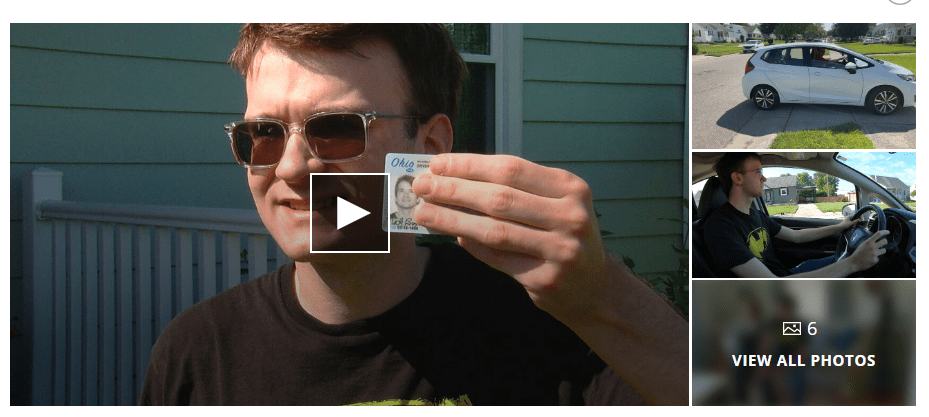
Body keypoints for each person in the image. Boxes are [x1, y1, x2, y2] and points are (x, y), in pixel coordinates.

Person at [140, 24, 687, 406]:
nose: (289, 168)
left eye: (336, 128)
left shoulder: (541, 329)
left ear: (428, 146)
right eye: (262, 133)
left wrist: (607, 299)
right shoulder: (197, 350)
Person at [704, 152, 888, 278]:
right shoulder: (720, 227)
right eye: (758, 172)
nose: (764, 178)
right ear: (737, 178)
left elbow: (796, 236)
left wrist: (840, 227)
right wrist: (853, 263)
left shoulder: (755, 214)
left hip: (790, 274)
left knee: (845, 261)